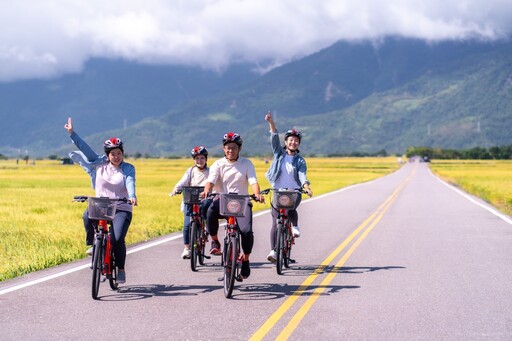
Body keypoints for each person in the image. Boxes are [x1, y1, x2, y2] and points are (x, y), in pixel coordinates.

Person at [64, 117, 137, 284]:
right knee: (86, 216)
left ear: (122, 153)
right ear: (107, 155)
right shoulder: (98, 164)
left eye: (119, 153)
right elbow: (84, 147)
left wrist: (132, 196)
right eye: (113, 153)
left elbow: (130, 182)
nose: (116, 156)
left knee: (117, 238)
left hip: (121, 207)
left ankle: (120, 268)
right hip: (102, 205)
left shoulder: (128, 168)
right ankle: (93, 244)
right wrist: (72, 134)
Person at [200, 132, 264, 279]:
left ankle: (245, 259)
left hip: (242, 201)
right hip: (222, 200)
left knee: (247, 231)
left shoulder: (246, 163)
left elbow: (253, 181)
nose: (230, 150)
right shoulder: (218, 164)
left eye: (234, 147)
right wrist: (206, 191)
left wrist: (257, 194)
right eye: (227, 147)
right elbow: (211, 180)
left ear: (239, 149)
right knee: (210, 211)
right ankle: (215, 241)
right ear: (223, 149)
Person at [264, 111, 312, 263]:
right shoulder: (279, 154)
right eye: (290, 140)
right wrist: (271, 122)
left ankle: (295, 226)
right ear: (286, 142)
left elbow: (303, 175)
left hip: (294, 192)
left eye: (296, 140)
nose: (293, 142)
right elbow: (273, 136)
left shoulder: (300, 161)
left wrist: (306, 186)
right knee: (274, 222)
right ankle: (273, 251)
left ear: (299, 143)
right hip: (277, 191)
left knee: (291, 208)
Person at [169, 146, 210, 259]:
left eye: (202, 158)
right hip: (190, 199)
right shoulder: (190, 171)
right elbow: (183, 181)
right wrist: (176, 189)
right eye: (197, 158)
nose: (199, 160)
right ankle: (187, 248)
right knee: (187, 225)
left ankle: (205, 229)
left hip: (204, 199)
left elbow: (214, 183)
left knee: (208, 213)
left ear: (206, 159)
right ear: (194, 159)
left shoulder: (211, 172)